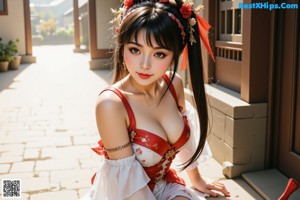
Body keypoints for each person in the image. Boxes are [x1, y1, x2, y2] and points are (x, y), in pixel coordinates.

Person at [85, 0, 230, 199]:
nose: (145, 65)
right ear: (123, 46)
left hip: (164, 186)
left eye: (159, 54)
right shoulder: (111, 104)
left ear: (174, 55)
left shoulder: (174, 85)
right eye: (135, 50)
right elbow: (130, 187)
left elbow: (185, 144)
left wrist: (196, 180)